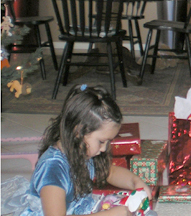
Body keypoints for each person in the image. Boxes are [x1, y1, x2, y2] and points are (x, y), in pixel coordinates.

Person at [20, 84, 152, 216]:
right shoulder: (52, 170)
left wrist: (135, 182)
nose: (104, 148)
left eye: (108, 142)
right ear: (79, 131)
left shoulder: (81, 151)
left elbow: (109, 173)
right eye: (101, 141)